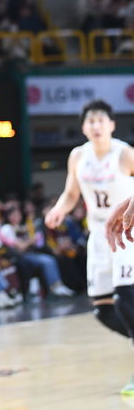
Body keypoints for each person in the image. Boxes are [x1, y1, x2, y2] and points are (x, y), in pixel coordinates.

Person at [46, 99, 134, 393]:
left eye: (101, 120)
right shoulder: (78, 156)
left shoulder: (123, 154)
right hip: (98, 234)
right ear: (84, 128)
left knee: (126, 298)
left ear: (111, 125)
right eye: (90, 121)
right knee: (102, 310)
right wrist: (60, 209)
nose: (96, 126)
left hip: (127, 232)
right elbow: (71, 193)